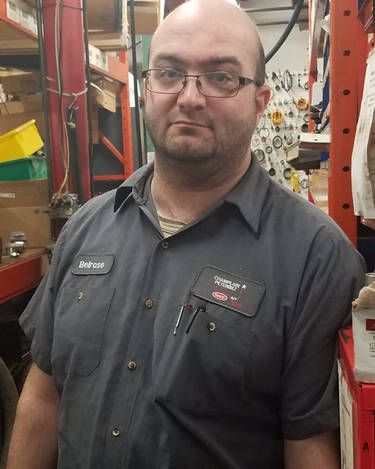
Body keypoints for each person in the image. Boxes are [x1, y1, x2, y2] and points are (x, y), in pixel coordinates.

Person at [7, 1, 365, 468]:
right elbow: (43, 396)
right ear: (148, 85)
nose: (190, 97)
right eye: (170, 72)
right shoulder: (87, 228)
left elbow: (310, 448)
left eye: (221, 77)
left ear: (261, 101)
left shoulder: (317, 258)